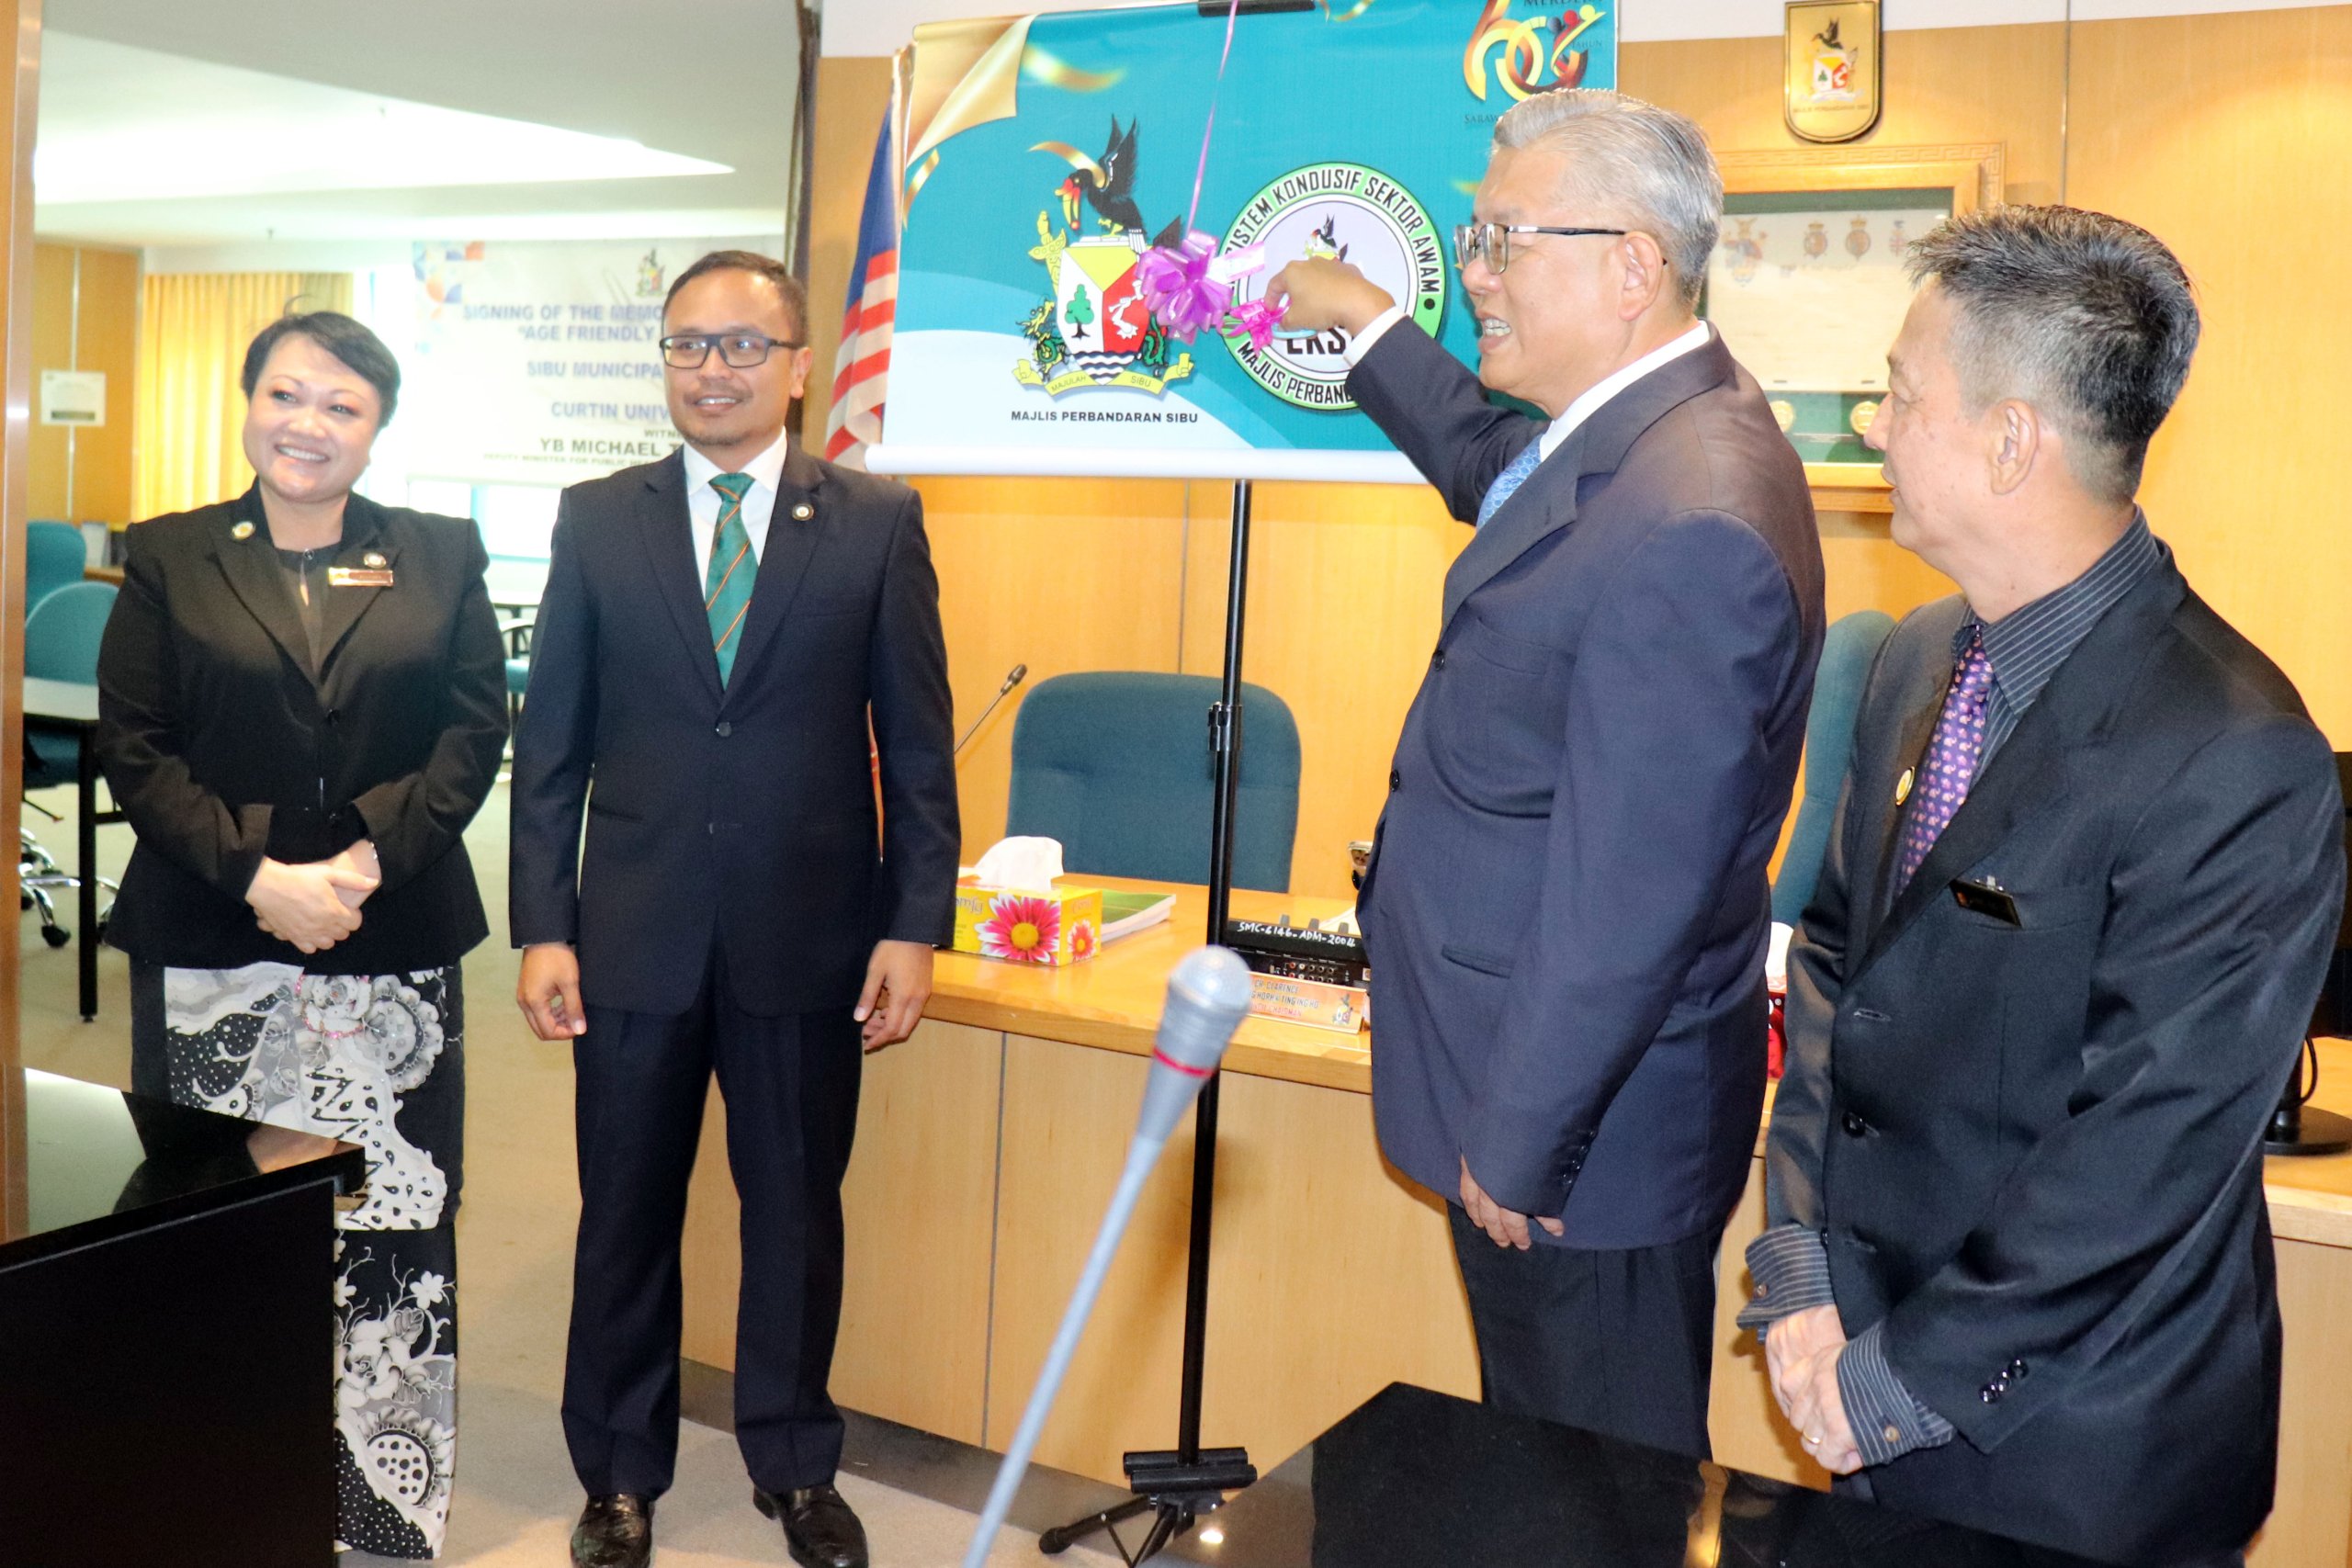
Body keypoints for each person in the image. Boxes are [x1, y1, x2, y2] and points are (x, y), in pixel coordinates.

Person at [1741, 206, 2346, 1566]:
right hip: (1864, 1371)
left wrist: (1894, 1384)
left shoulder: (2237, 750)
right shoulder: (1913, 658)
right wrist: (1802, 1279)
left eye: (1900, 393)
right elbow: (1837, 966)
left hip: (2078, 1452)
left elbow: (2147, 1145)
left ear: (2016, 439)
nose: (1874, 424)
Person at [1265, 87, 1824, 1458]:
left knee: (1596, 1493)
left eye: (1506, 240)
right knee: (1539, 1467)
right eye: (1473, 235)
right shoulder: (1634, 432)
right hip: (1553, 1097)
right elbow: (1491, 467)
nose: (1477, 271)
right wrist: (1368, 325)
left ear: (1632, 264)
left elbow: (1630, 894)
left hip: (1585, 1146)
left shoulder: (1694, 514)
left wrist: (1517, 1141)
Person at [509, 250, 958, 1568]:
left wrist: (913, 922)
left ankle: (795, 1463)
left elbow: (918, 745)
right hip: (634, 936)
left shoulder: (876, 519)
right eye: (686, 346)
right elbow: (556, 745)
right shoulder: (599, 518)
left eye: (742, 347)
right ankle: (620, 1474)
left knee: (795, 1212)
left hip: (810, 938)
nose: (712, 370)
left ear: (802, 367)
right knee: (626, 1213)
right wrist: (546, 919)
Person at [97, 310, 508, 1559]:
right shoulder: (171, 555)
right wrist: (260, 874)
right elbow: (136, 745)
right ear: (248, 403)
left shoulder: (440, 554)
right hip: (217, 938)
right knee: (213, 1225)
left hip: (391, 941)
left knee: (390, 1225)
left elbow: (472, 730)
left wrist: (367, 859)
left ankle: (381, 1518)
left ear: (376, 430)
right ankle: (218, 1500)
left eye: (341, 405)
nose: (308, 425)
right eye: (287, 394)